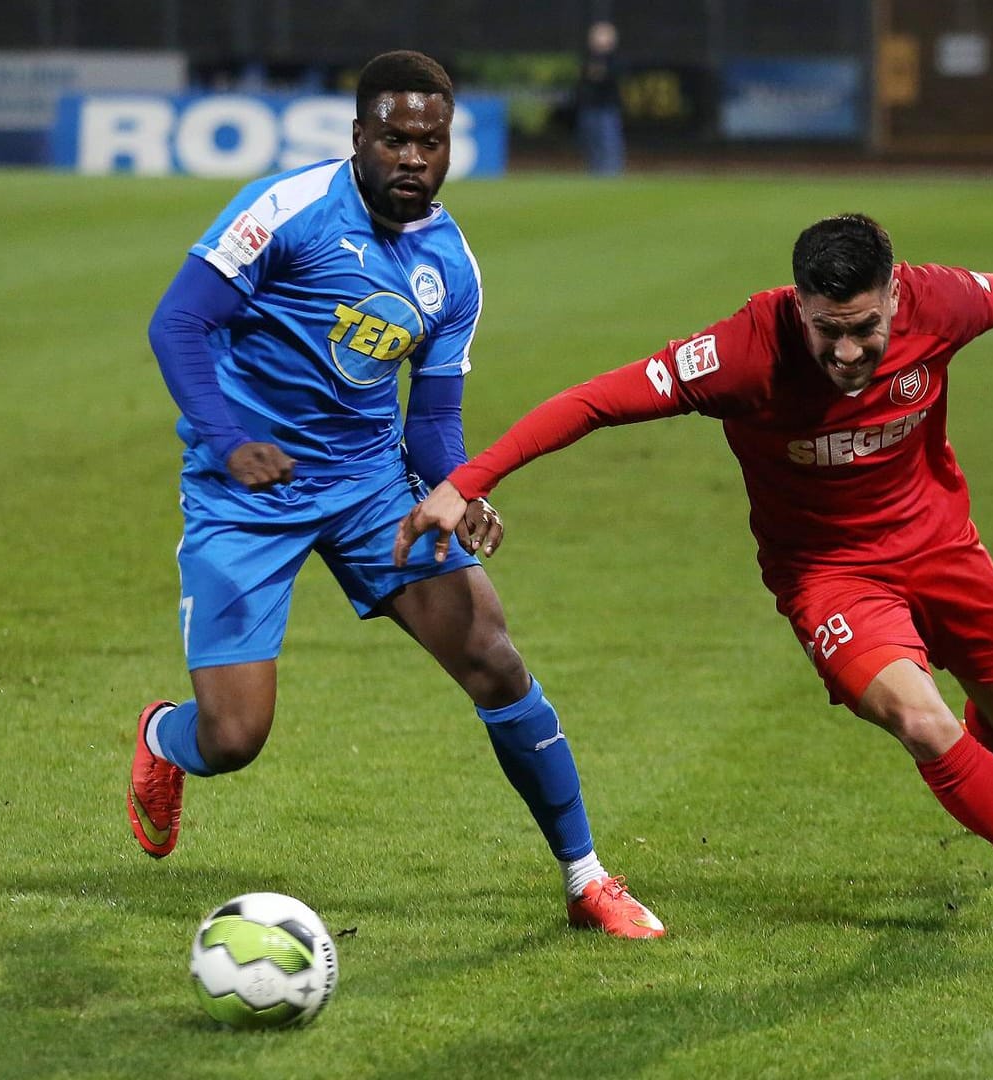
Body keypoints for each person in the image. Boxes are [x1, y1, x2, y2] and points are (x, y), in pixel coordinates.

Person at [397, 214, 993, 950]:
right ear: (798, 304)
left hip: (943, 546)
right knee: (921, 720)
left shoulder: (943, 300)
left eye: (865, 329)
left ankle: (969, 773)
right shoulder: (737, 353)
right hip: (830, 579)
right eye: (826, 329)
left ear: (894, 297)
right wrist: (470, 480)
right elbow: (594, 401)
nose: (847, 351)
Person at [128, 50, 663, 939]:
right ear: (358, 137)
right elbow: (178, 322)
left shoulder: (452, 269)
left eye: (432, 140)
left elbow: (431, 425)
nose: (413, 156)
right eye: (395, 138)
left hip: (371, 485)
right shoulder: (287, 211)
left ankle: (585, 878)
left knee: (492, 653)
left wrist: (461, 486)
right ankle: (160, 741)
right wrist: (228, 444)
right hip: (247, 490)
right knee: (233, 738)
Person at [576, 20, 625, 176]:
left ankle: (612, 172)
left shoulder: (614, 60)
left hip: (607, 107)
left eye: (602, 36)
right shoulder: (587, 58)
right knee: (591, 141)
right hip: (589, 106)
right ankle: (595, 172)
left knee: (609, 141)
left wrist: (598, 74)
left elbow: (607, 77)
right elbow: (585, 77)